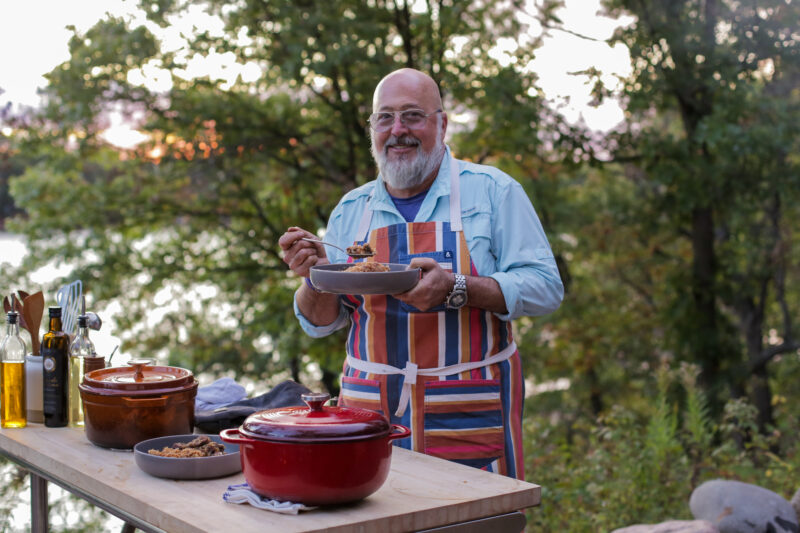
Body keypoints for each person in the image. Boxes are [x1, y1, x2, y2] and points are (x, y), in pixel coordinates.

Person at [278, 68, 563, 480]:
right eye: (385, 118)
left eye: (412, 116)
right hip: (368, 413)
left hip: (470, 409)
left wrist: (457, 287)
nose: (398, 130)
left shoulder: (493, 191)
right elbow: (321, 323)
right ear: (372, 129)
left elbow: (546, 288)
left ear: (441, 124)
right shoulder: (351, 209)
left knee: (473, 522)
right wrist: (315, 275)